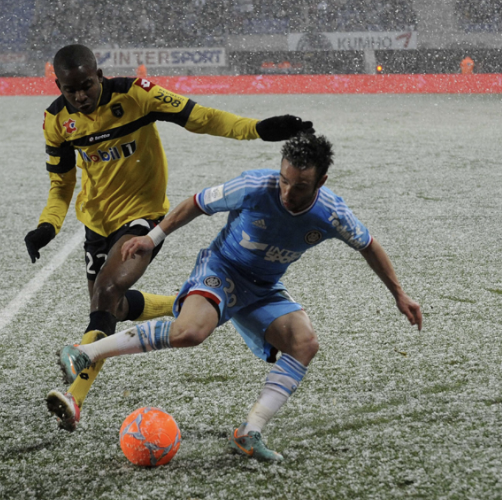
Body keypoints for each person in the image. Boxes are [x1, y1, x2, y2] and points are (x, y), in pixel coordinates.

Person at [46, 132, 423, 460]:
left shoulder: (333, 215)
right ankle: (85, 352)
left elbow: (369, 246)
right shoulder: (254, 187)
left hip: (264, 288)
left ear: (322, 181)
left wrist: (399, 295)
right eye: (284, 180)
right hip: (221, 270)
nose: (288, 193)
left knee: (304, 343)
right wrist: (152, 237)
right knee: (190, 333)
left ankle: (249, 433)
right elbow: (196, 202)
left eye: (301, 186)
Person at [25, 44, 316, 429]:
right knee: (115, 309)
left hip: (142, 216)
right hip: (96, 222)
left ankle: (75, 396)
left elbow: (202, 118)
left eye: (87, 86)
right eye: (69, 89)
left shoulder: (138, 94)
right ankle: (195, 304)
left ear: (101, 74)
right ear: (57, 84)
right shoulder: (56, 120)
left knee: (106, 295)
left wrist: (257, 129)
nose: (80, 96)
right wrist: (49, 224)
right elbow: (61, 184)